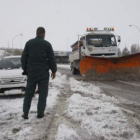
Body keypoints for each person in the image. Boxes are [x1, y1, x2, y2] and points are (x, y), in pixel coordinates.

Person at [21, 27, 57, 119]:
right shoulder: (47, 44)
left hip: (32, 72)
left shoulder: (29, 43)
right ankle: (40, 114)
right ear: (44, 34)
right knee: (42, 94)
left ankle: (25, 113)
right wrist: (53, 71)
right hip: (43, 73)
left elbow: (23, 58)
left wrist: (25, 69)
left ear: (36, 33)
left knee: (29, 93)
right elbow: (52, 59)